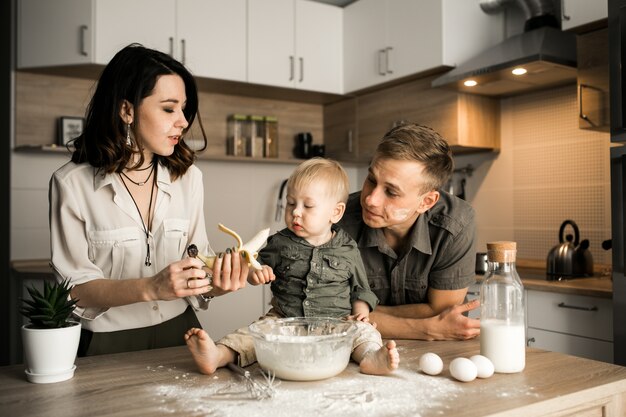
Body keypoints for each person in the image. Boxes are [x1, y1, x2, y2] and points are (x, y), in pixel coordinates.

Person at [48, 44, 249, 356]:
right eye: (169, 109)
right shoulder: (72, 184)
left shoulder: (189, 178)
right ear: (127, 110)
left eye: (184, 109)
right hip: (107, 342)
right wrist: (151, 287)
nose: (183, 121)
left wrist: (224, 281)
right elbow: (74, 290)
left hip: (182, 331)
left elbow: (199, 267)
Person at [185, 158, 399, 376]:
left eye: (307, 206)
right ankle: (218, 355)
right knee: (255, 335)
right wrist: (256, 273)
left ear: (335, 212)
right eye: (290, 203)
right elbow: (251, 268)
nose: (296, 212)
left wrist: (361, 314)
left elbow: (361, 289)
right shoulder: (279, 243)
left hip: (336, 325)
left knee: (364, 332)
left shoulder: (347, 248)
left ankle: (372, 357)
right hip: (284, 321)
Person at [337, 123, 480, 341]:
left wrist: (358, 312)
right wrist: (427, 328)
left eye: (391, 192)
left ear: (427, 202)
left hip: (438, 355)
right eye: (372, 180)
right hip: (355, 348)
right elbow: (326, 311)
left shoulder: (456, 223)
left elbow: (444, 311)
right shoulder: (338, 219)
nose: (370, 199)